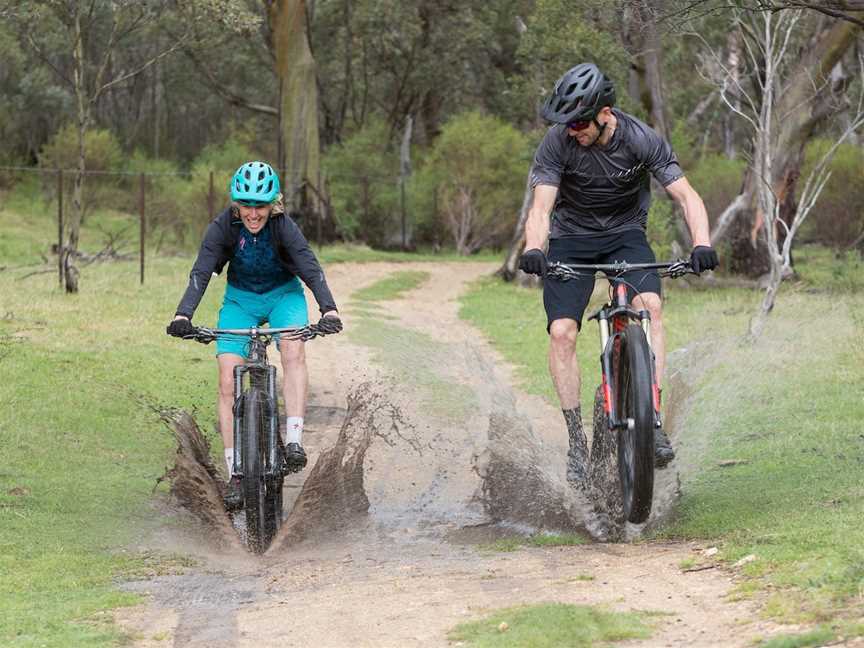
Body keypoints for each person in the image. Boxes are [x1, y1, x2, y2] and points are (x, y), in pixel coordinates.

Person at [518, 63, 718, 487]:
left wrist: (701, 242)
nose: (572, 130)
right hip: (571, 240)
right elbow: (540, 209)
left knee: (651, 308)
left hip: (625, 236)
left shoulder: (641, 138)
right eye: (566, 123)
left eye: (578, 122)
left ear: (605, 112)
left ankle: (653, 420)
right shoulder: (558, 143)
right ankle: (576, 441)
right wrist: (534, 248)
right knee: (562, 332)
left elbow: (686, 195)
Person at [167, 161, 342, 508]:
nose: (253, 213)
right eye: (246, 204)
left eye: (260, 205)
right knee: (227, 379)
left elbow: (309, 266)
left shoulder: (283, 227)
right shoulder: (223, 227)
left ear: (273, 204)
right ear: (236, 204)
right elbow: (202, 271)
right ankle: (235, 474)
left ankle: (293, 440)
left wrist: (329, 309)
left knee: (293, 350)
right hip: (240, 301)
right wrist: (182, 314)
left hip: (283, 296)